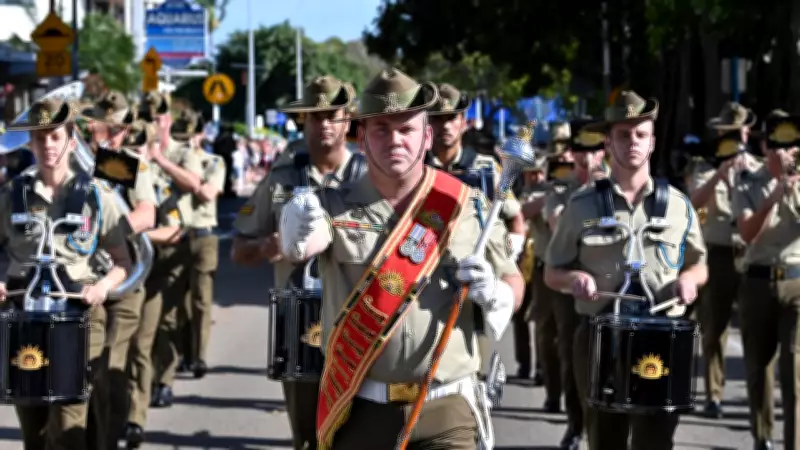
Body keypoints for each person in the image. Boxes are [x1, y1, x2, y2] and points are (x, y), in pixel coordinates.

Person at [279, 68, 524, 450]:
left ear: (426, 136)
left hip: (448, 409)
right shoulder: (332, 205)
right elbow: (304, 245)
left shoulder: (466, 205)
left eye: (406, 129)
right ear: (362, 136)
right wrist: (293, 230)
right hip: (360, 409)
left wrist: (496, 293)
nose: (395, 140)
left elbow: (514, 279)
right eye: (381, 129)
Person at [544, 91, 708, 450]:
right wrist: (574, 279)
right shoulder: (581, 205)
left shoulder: (678, 205)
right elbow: (551, 271)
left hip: (661, 338)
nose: (631, 142)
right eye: (622, 134)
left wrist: (689, 279)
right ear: (607, 142)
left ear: (651, 142)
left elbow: (699, 262)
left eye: (640, 134)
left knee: (656, 440)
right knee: (606, 439)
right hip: (600, 337)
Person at [231, 75, 364, 450]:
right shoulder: (279, 181)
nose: (324, 124)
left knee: (360, 430)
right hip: (301, 320)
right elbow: (238, 249)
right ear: (303, 119)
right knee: (307, 435)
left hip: (359, 318)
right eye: (315, 116)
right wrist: (269, 246)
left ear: (347, 120)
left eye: (333, 116)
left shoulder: (372, 179)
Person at [0, 97, 133, 450]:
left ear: (71, 141)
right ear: (30, 143)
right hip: (25, 318)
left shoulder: (95, 195)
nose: (48, 146)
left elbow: (124, 263)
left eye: (55, 137)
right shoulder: (14, 195)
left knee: (69, 422)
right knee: (34, 430)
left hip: (79, 319)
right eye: (40, 138)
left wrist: (103, 286)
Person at [425, 83, 526, 377]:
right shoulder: (415, 168)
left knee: (470, 372)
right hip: (424, 274)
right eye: (438, 118)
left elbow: (514, 216)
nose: (445, 125)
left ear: (464, 122)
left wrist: (509, 257)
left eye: (452, 117)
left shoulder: (484, 169)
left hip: (471, 281)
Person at [80, 91, 159, 448]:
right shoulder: (74, 162)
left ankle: (108, 440)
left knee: (111, 367)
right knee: (86, 369)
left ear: (126, 132)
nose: (110, 137)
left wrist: (112, 229)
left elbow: (147, 213)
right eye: (104, 129)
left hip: (125, 279)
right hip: (86, 280)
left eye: (118, 131)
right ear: (91, 125)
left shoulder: (123, 164)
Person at [538, 117, 609, 450]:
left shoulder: (612, 187)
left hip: (606, 282)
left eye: (594, 149)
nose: (587, 157)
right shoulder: (562, 188)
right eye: (581, 150)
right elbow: (555, 223)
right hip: (570, 279)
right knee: (570, 353)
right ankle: (575, 425)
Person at [732, 110, 800, 450]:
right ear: (763, 144)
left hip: (796, 283)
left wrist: (794, 185)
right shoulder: (747, 181)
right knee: (759, 369)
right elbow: (747, 233)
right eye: (774, 143)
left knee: (795, 373)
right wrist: (774, 194)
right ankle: (762, 437)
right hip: (757, 282)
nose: (782, 151)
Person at [119, 120, 187, 448]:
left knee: (140, 347)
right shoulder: (110, 178)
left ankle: (135, 418)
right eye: (127, 147)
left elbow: (175, 229)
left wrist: (139, 234)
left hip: (151, 275)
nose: (132, 154)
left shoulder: (158, 186)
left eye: (138, 148)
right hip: (115, 277)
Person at [689, 101, 759, 419]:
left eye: (739, 131)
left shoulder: (759, 168)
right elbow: (693, 202)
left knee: (755, 328)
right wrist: (721, 173)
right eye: (728, 132)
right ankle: (714, 394)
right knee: (714, 326)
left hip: (752, 253)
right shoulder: (703, 167)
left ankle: (760, 398)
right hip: (717, 253)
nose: (734, 137)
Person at [147, 108, 208, 407]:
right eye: (150, 118)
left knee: (171, 315)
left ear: (168, 121)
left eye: (159, 118)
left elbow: (194, 183)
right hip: (142, 249)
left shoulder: (183, 152)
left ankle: (165, 380)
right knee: (149, 322)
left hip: (176, 244)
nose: (154, 123)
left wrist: (159, 159)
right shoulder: (135, 147)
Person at [523, 121, 574, 411]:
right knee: (546, 333)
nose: (563, 161)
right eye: (557, 159)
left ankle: (572, 396)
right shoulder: (542, 186)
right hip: (544, 268)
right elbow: (523, 210)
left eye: (567, 154)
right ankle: (553, 393)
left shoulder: (582, 185)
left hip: (573, 268)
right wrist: (551, 193)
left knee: (570, 337)